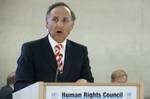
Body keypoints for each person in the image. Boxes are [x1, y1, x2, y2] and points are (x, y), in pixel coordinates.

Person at [14, 2, 94, 91]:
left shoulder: (80, 51)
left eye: (65, 20)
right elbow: (20, 85)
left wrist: (84, 82)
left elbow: (89, 81)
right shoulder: (31, 49)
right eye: (55, 19)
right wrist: (43, 90)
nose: (60, 25)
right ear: (46, 24)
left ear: (72, 26)